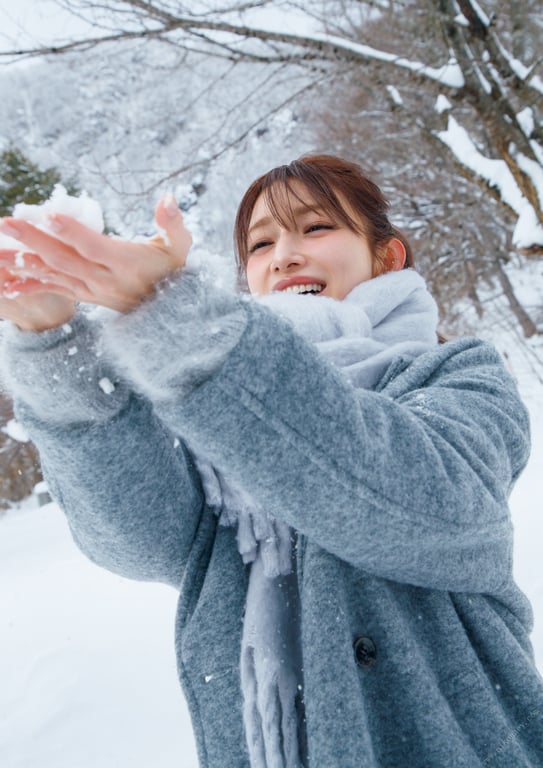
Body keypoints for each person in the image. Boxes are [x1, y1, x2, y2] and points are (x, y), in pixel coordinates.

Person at [0, 154, 542, 768]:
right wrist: (52, 342)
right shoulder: (212, 413)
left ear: (386, 257)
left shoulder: (457, 376)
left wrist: (180, 324)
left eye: (315, 228)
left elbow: (426, 506)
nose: (284, 254)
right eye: (260, 244)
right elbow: (137, 541)